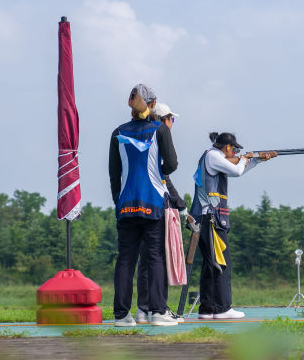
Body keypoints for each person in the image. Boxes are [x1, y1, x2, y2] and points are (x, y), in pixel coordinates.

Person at [108, 85, 182, 327]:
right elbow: (171, 165)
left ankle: (121, 315)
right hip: (153, 201)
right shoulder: (160, 129)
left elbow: (114, 173)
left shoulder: (117, 132)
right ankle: (158, 312)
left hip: (126, 204)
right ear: (152, 104)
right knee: (155, 258)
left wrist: (118, 201)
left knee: (125, 260)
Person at [189, 132, 276, 319]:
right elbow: (236, 170)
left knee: (211, 265)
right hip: (211, 218)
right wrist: (245, 158)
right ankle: (222, 308)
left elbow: (237, 170)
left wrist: (258, 160)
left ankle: (208, 308)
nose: (236, 152)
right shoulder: (213, 156)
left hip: (206, 218)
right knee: (222, 263)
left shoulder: (212, 157)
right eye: (235, 149)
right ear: (227, 147)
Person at [136, 102, 186, 323]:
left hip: (136, 203)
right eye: (171, 120)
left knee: (146, 258)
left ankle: (144, 308)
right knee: (157, 257)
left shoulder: (143, 136)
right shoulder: (160, 136)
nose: (172, 124)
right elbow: (165, 177)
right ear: (164, 120)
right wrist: (180, 204)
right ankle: (158, 309)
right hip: (156, 206)